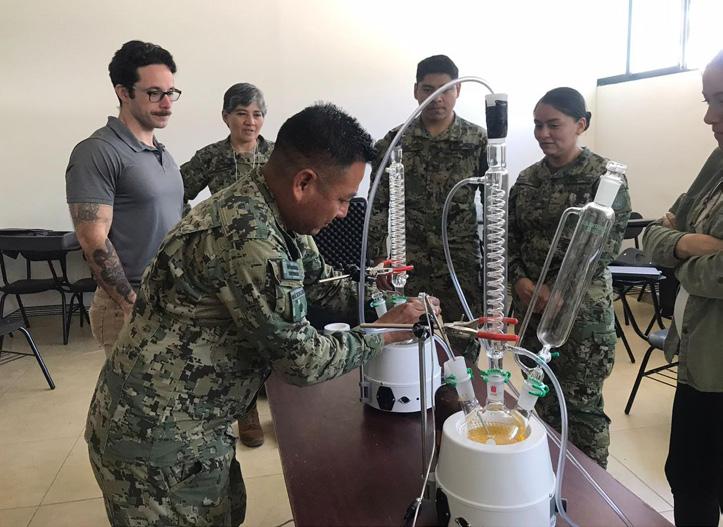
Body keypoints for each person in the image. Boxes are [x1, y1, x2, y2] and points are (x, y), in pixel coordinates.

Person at [85, 103, 439, 527]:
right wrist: (384, 331)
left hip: (196, 425)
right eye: (343, 199)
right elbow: (302, 360)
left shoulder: (274, 208)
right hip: (156, 439)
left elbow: (320, 282)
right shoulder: (249, 237)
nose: (345, 212)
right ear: (304, 182)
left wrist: (384, 297)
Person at [508, 87, 632, 468]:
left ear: (581, 124)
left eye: (553, 124)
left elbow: (604, 249)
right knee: (538, 397)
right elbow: (509, 239)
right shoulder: (527, 181)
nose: (543, 133)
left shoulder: (603, 180)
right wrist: (519, 280)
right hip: (532, 312)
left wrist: (560, 290)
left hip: (580, 318)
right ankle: (544, 475)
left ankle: (589, 487)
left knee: (580, 408)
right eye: (537, 125)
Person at [643, 51, 723, 527]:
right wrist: (688, 243)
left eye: (721, 100)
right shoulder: (716, 162)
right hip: (697, 362)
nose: (709, 116)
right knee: (689, 480)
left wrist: (682, 264)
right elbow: (655, 233)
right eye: (707, 100)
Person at [65, 40, 184, 358]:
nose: (167, 103)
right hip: (129, 304)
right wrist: (131, 304)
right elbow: (93, 238)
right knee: (134, 392)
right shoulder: (98, 151)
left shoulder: (162, 153)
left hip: (170, 299)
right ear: (123, 92)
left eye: (170, 92)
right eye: (154, 93)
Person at [368, 54, 487, 359]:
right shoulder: (395, 142)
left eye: (445, 90)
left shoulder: (477, 141)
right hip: (410, 263)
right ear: (416, 91)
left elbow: (494, 205)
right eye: (428, 89)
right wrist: (379, 259)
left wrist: (494, 267)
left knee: (461, 340)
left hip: (459, 263)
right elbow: (377, 205)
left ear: (458, 90)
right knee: (412, 340)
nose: (437, 98)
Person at [180, 83, 274, 448]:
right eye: (241, 113)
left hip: (269, 259)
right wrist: (196, 230)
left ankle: (280, 408)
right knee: (234, 337)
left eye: (257, 114)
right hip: (225, 264)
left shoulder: (276, 155)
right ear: (226, 117)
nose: (250, 122)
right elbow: (175, 191)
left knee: (272, 332)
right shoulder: (211, 157)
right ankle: (246, 414)